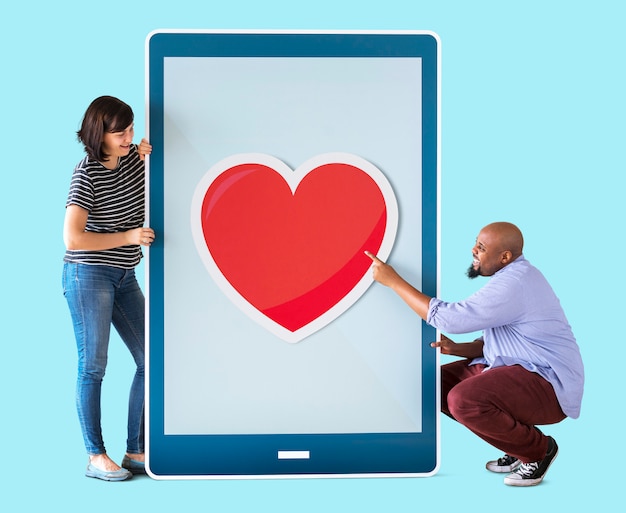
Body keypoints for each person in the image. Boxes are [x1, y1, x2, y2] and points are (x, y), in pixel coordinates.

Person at [366, 222, 584, 487]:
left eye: (481, 247)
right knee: (431, 385)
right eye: (476, 243)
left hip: (549, 386)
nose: (474, 250)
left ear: (505, 256)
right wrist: (459, 349)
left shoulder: (515, 282)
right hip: (519, 370)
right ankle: (517, 444)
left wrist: (393, 281)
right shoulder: (513, 276)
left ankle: (537, 451)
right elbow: (506, 343)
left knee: (463, 399)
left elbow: (449, 319)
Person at [62, 96, 154, 481]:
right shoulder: (86, 174)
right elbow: (72, 238)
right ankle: (95, 455)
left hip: (124, 275)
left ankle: (135, 449)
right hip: (88, 276)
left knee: (153, 359)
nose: (129, 136)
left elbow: (147, 166)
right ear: (100, 134)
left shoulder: (133, 157)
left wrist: (147, 152)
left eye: (131, 128)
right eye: (121, 132)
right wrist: (129, 236)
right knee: (94, 366)